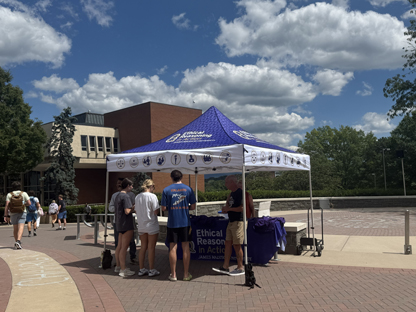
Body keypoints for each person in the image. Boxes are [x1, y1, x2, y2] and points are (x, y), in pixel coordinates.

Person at [161, 170, 196, 282]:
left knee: (173, 247)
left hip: (172, 222)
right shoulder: (188, 189)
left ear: (171, 177)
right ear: (182, 177)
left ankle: (173, 274)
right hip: (185, 222)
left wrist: (171, 207)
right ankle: (186, 274)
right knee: (186, 247)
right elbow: (193, 206)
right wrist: (186, 207)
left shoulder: (166, 190)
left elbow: (163, 208)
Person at [213, 175, 245, 276]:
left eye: (227, 182)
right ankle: (225, 266)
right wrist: (225, 208)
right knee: (227, 243)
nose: (225, 184)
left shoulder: (240, 193)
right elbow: (228, 205)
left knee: (237, 245)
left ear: (232, 182)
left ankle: (240, 267)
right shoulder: (231, 194)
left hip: (238, 222)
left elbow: (242, 208)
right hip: (230, 221)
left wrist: (229, 209)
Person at [109, 178, 137, 264]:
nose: (132, 187)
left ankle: (118, 265)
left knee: (120, 246)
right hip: (125, 223)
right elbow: (127, 211)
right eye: (131, 185)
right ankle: (123, 268)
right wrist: (134, 208)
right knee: (123, 247)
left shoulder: (118, 195)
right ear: (128, 186)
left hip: (119, 222)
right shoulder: (125, 196)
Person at [135, 179, 160, 277]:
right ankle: (151, 269)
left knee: (143, 247)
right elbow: (156, 211)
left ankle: (141, 269)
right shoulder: (152, 196)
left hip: (141, 224)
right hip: (151, 225)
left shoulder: (138, 196)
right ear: (151, 186)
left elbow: (136, 210)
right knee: (151, 248)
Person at [3, 181, 31, 249]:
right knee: (21, 227)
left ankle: (16, 241)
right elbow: (29, 203)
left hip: (13, 213)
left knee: (15, 228)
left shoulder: (9, 194)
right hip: (22, 212)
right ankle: (18, 241)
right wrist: (24, 204)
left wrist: (6, 215)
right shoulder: (24, 193)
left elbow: (7, 205)